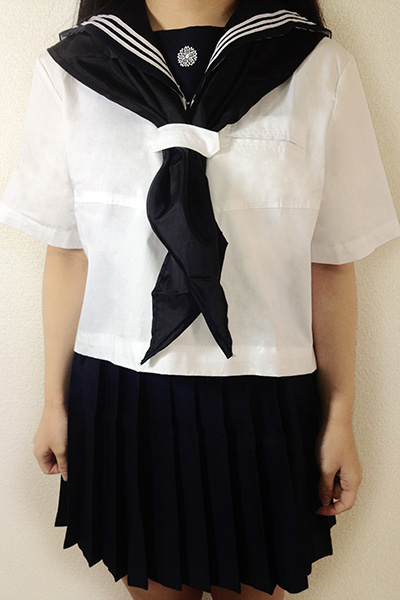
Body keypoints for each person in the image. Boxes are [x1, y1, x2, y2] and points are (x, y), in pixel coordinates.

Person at [1, 0, 399, 599]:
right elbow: (69, 253)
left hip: (266, 396)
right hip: (120, 394)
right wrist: (53, 401)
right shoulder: (73, 70)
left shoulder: (317, 67)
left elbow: (330, 261)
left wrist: (340, 411)